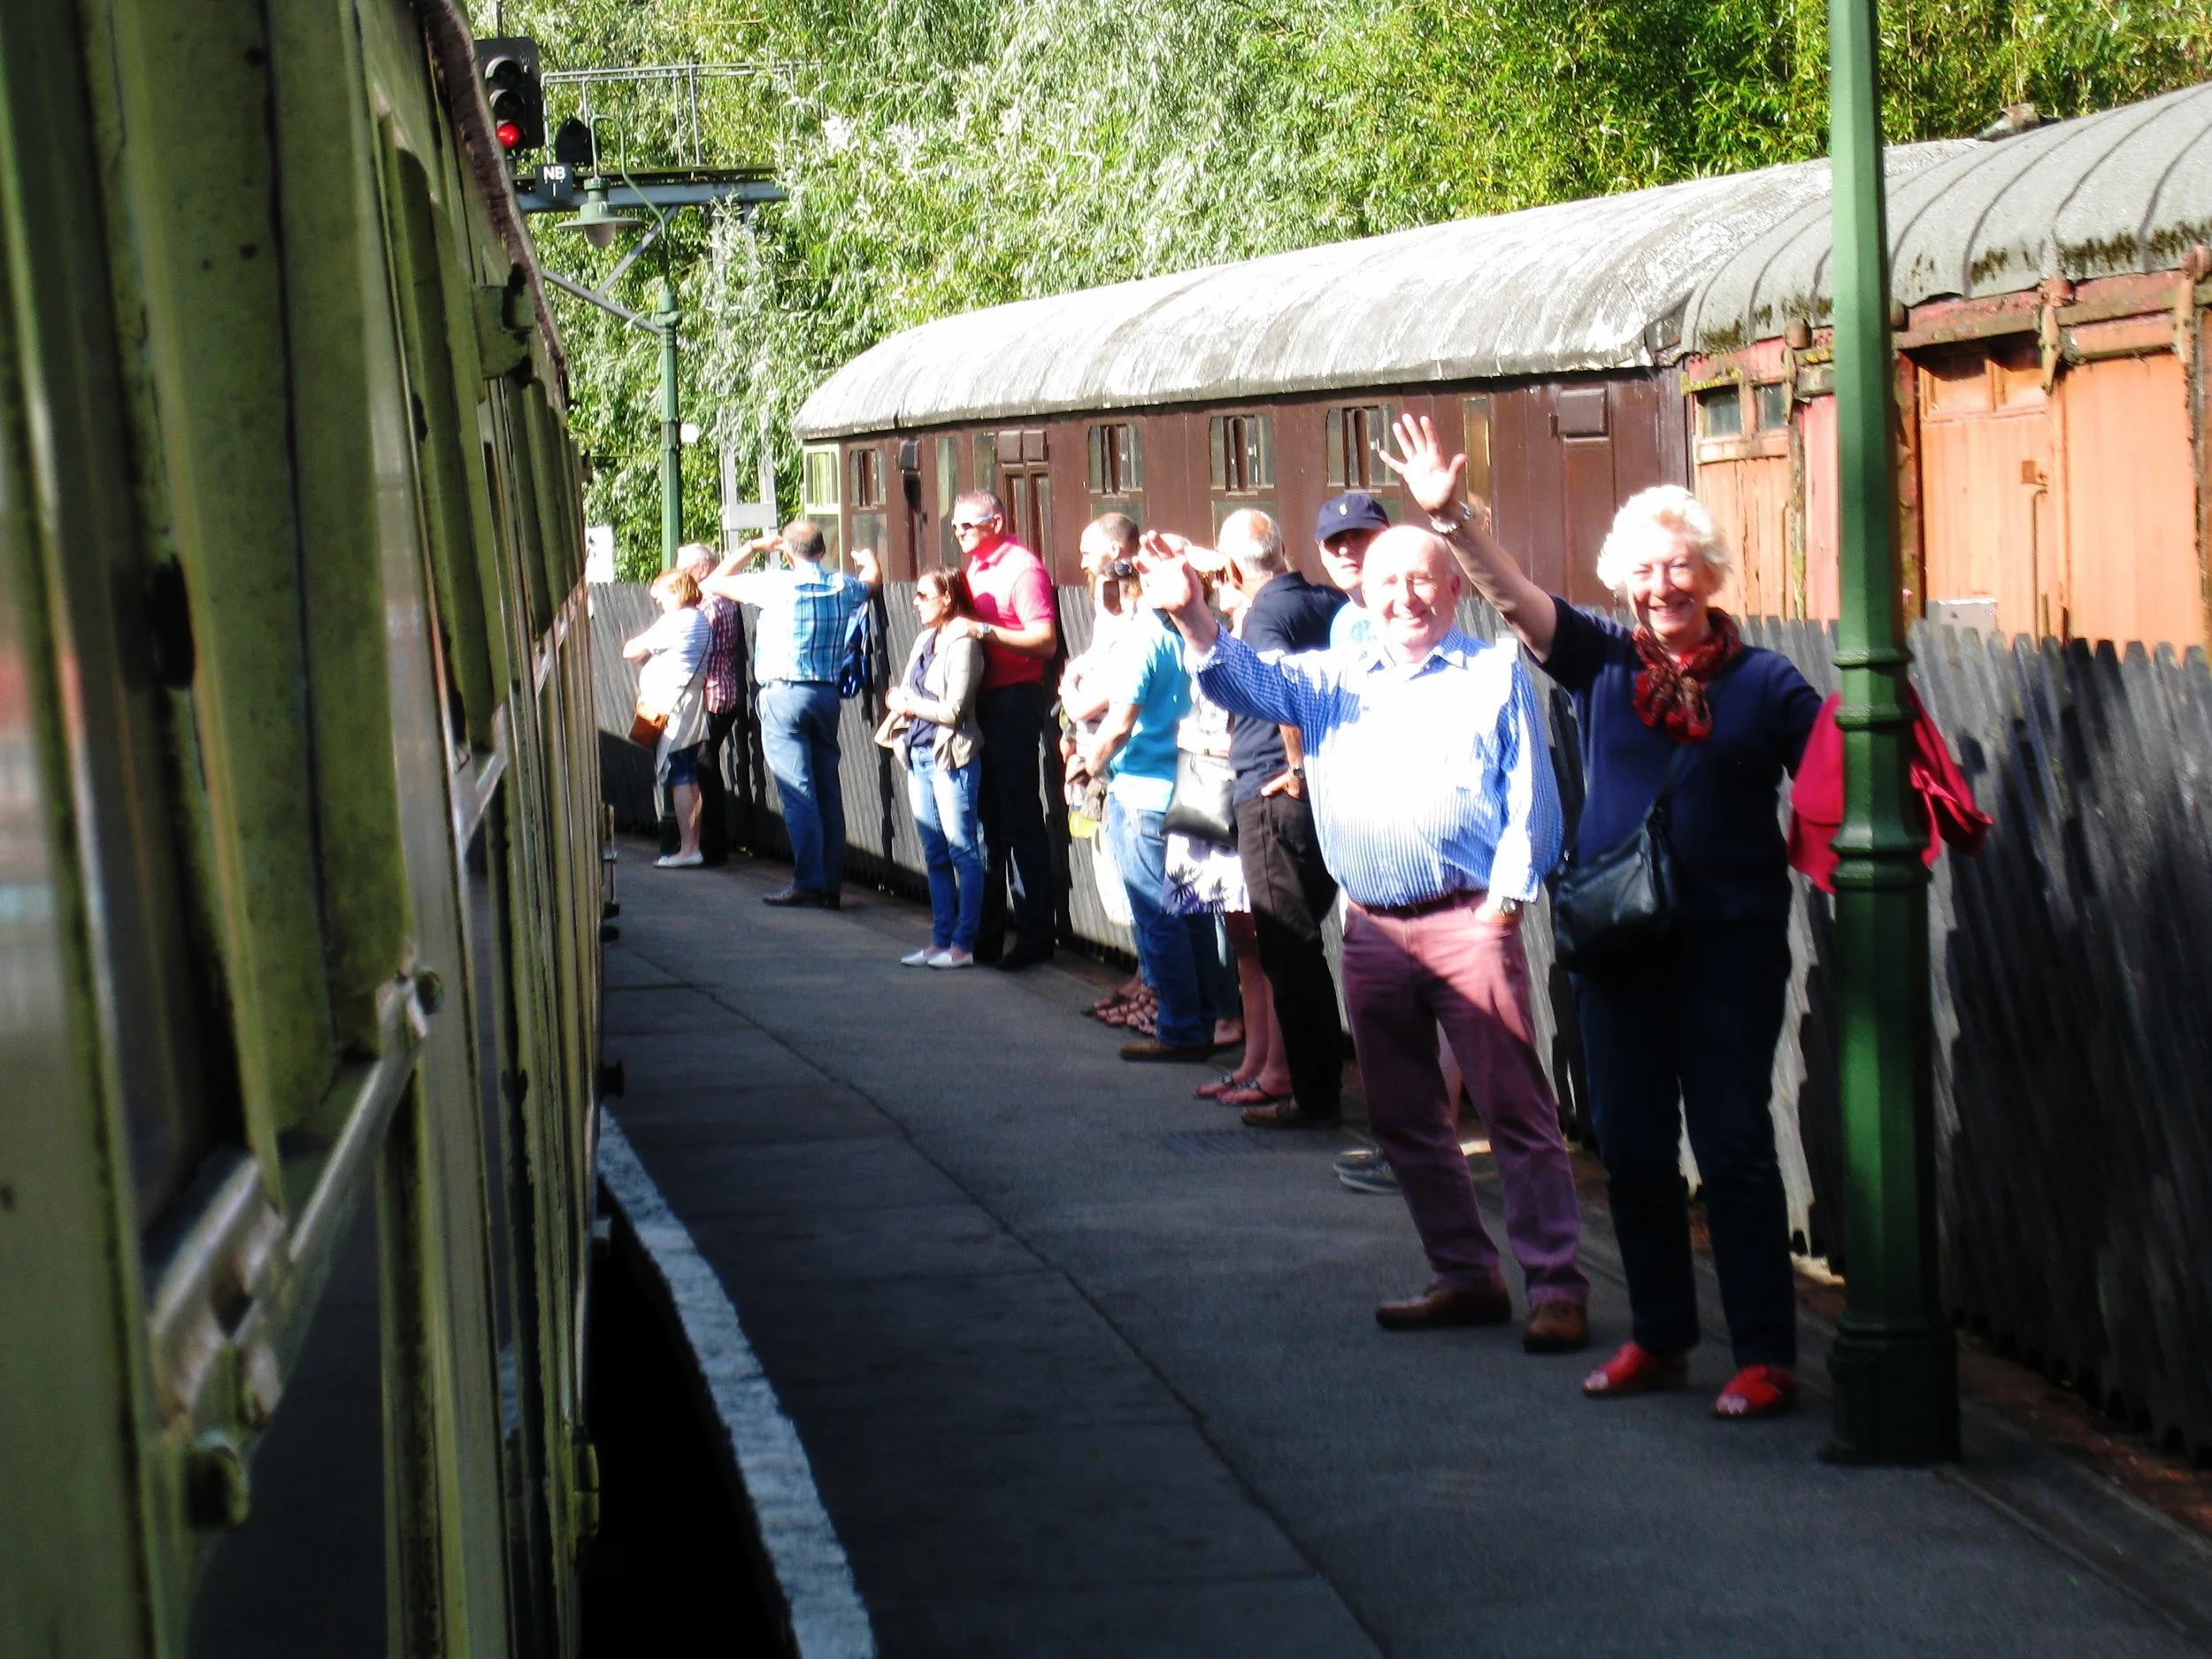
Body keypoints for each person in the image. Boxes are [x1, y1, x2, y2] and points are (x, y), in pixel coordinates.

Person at [1382, 411, 1823, 1418]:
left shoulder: (1766, 685)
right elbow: (1514, 599)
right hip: (1616, 951)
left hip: (1725, 954)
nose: (1662, 586)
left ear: (1710, 578)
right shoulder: (1604, 664)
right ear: (1624, 580)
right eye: (1644, 570)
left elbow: (1838, 778)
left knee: (1734, 1149)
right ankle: (1661, 1341)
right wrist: (1454, 522)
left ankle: (1764, 1356)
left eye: (1680, 568)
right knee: (1628, 1152)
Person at [1138, 526, 1589, 1353]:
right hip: (1373, 929)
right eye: (1388, 583)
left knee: (1515, 1110)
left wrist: (1505, 903)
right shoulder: (1331, 676)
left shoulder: (1492, 672)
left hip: (1466, 920)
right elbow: (1246, 684)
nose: (1406, 596)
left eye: (1424, 581)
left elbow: (1534, 795)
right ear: (1363, 595)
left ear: (1455, 592)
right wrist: (1195, 616)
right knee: (1403, 1114)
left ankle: (1557, 1283)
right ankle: (1465, 1275)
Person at [1211, 507, 1347, 1127]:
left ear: (1237, 567)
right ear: (1286, 549)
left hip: (1273, 791)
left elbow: (1278, 683)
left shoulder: (1264, 613)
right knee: (1301, 942)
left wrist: (1297, 768)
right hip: (1318, 790)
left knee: (1288, 946)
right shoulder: (1320, 599)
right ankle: (1308, 1079)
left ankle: (1309, 1092)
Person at [1068, 567, 1219, 1062]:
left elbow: (1120, 721)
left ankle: (1179, 1028)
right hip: (1189, 787)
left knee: (1158, 916)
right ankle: (1201, 1019)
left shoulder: (1145, 639)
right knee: (1192, 914)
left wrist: (1087, 768)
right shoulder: (1202, 632)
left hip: (1142, 794)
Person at [703, 520, 881, 908]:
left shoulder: (775, 584)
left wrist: (752, 546)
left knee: (798, 792)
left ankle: (808, 880)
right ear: (823, 550)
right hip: (825, 695)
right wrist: (868, 560)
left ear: (786, 552)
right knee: (827, 792)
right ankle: (830, 885)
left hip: (783, 693)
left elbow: (714, 583)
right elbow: (872, 582)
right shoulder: (841, 586)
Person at [949, 491, 1061, 970]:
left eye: (968, 527)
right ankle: (987, 936)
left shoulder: (1022, 569)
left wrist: (985, 633)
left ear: (996, 522)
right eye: (955, 527)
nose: (960, 535)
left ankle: (1036, 936)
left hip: (1015, 699)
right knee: (987, 822)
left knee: (1018, 819)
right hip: (985, 700)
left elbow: (1044, 640)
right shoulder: (976, 569)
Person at [1061, 516, 1148, 1027]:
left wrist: (1072, 701)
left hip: (1118, 755)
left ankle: (1153, 980)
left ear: (1115, 548)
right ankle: (1144, 971)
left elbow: (1119, 685)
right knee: (1113, 869)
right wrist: (1076, 667)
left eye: (1089, 551)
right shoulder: (1105, 598)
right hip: (1094, 745)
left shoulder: (1136, 608)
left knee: (1133, 872)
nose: (1083, 561)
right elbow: (1098, 652)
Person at [883, 570, 987, 969]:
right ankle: (939, 939)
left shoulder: (964, 645)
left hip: (951, 756)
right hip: (918, 755)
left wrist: (907, 704)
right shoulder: (925, 639)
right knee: (935, 851)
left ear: (948, 598)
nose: (916, 600)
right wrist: (899, 697)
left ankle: (963, 945)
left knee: (963, 850)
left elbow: (955, 710)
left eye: (924, 594)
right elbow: (910, 687)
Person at [622, 567, 713, 869]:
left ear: (675, 592)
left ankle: (688, 849)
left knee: (680, 775)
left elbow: (631, 650)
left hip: (674, 707)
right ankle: (690, 846)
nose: (657, 600)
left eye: (660, 594)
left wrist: (647, 655)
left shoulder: (678, 620)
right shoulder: (699, 619)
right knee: (686, 773)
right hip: (686, 703)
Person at [679, 541, 746, 866]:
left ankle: (713, 844)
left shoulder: (708, 602)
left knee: (704, 766)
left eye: (684, 569)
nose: (680, 575)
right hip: (727, 689)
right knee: (707, 764)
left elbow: (693, 645)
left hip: (713, 693)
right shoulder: (727, 598)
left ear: (703, 568)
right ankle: (713, 841)